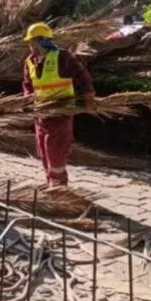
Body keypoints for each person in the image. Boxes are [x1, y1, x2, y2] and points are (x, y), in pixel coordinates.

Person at [22, 22, 95, 187]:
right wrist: (27, 99)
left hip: (61, 112)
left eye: (31, 41)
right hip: (41, 114)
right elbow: (27, 84)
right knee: (42, 149)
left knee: (55, 149)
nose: (29, 45)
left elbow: (82, 76)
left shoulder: (62, 57)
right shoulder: (30, 62)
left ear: (41, 40)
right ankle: (50, 182)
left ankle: (59, 186)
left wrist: (88, 96)